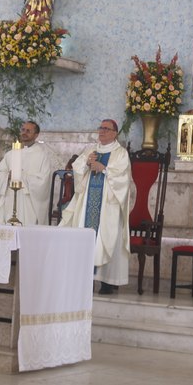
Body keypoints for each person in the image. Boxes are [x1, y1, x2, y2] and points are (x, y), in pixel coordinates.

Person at [61, 119, 133, 294]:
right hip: (87, 201)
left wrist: (104, 169)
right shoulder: (91, 150)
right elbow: (76, 168)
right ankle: (83, 279)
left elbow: (123, 178)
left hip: (109, 205)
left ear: (115, 133)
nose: (101, 131)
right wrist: (86, 163)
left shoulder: (120, 153)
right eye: (100, 128)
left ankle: (106, 282)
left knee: (107, 237)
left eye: (106, 129)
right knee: (84, 236)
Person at [0, 121, 58, 226]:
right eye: (23, 130)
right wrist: (7, 176)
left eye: (28, 131)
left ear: (36, 135)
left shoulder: (41, 155)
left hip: (28, 202)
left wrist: (22, 176)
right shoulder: (11, 154)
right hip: (10, 198)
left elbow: (43, 181)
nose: (24, 133)